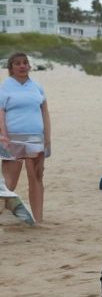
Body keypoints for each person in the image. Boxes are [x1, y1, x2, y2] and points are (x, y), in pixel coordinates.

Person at [0, 53, 50, 223]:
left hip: (35, 138)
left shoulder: (36, 87)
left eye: (25, 63)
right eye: (18, 63)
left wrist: (47, 138)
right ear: (11, 67)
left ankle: (38, 219)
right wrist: (3, 136)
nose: (22, 66)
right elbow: (1, 112)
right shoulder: (5, 87)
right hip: (12, 139)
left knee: (36, 177)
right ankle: (3, 214)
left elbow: (44, 112)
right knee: (9, 181)